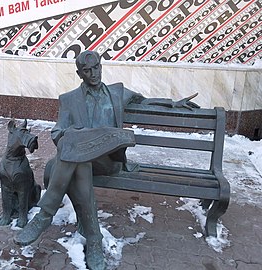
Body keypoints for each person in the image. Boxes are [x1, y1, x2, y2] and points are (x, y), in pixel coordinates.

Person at [14, 50, 198, 270]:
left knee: (76, 156)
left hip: (107, 162)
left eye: (97, 68)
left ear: (102, 66)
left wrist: (173, 104)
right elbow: (57, 132)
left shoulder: (117, 93)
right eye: (87, 70)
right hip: (79, 161)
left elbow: (145, 102)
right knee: (78, 155)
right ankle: (94, 238)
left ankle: (45, 215)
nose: (94, 74)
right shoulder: (69, 99)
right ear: (79, 73)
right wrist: (70, 135)